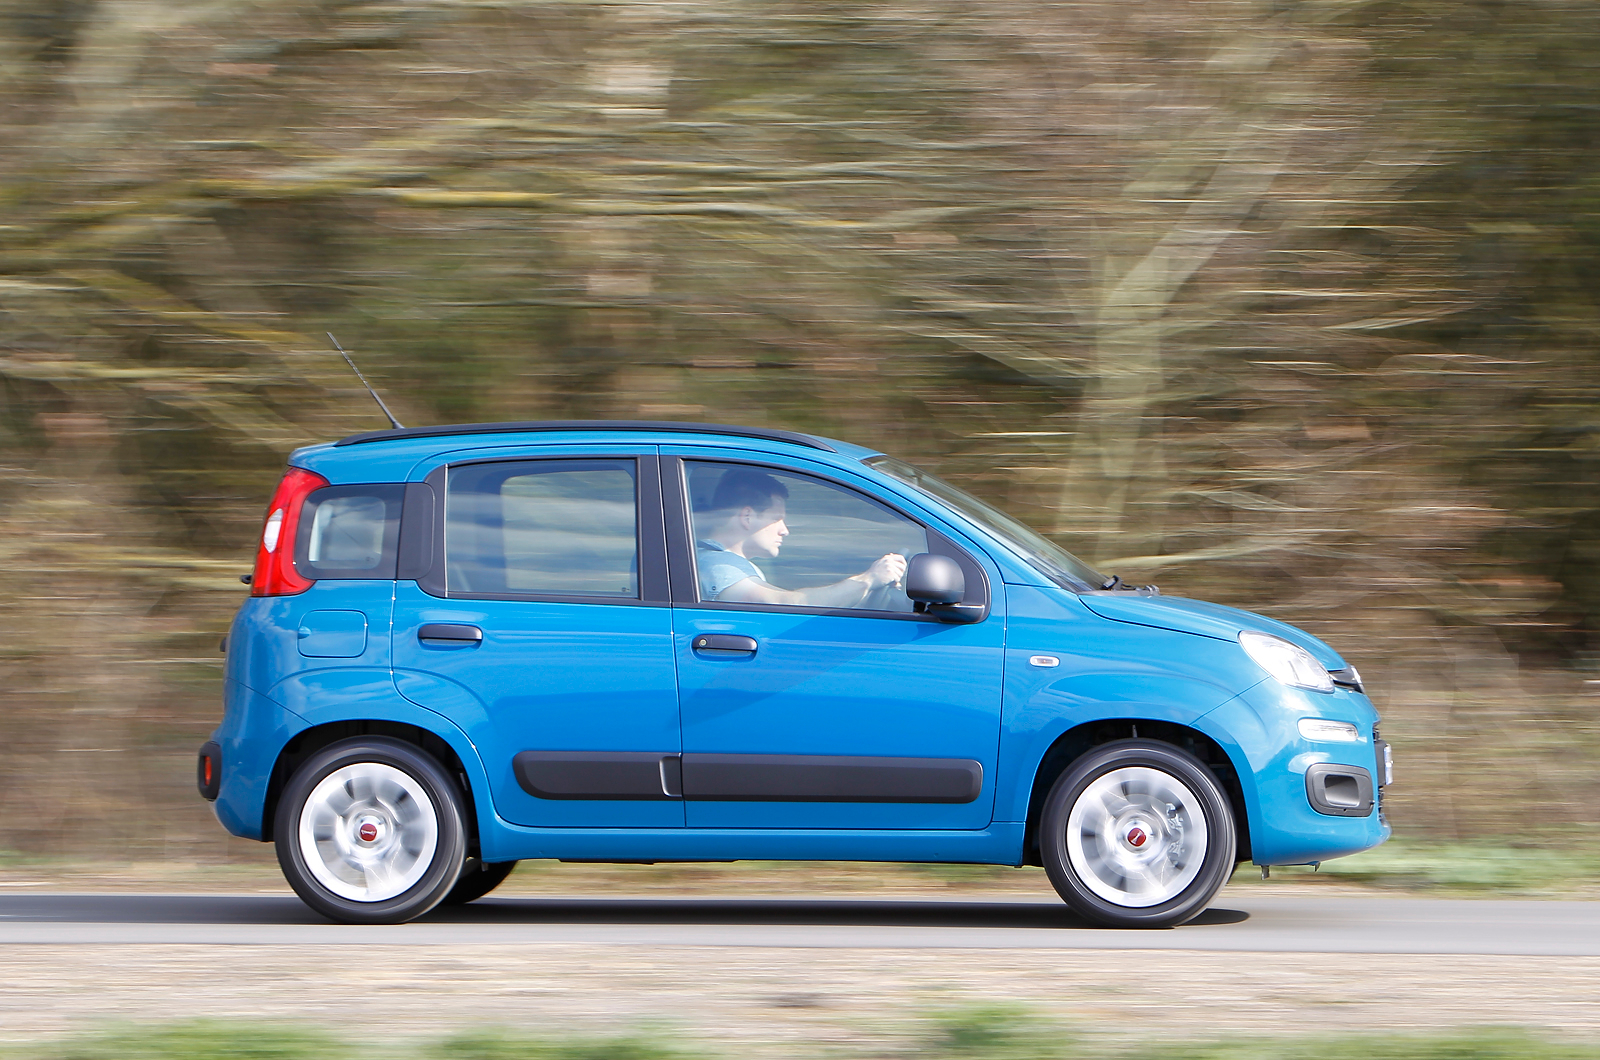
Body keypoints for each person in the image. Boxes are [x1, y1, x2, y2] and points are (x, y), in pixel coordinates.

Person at [695, 468, 907, 607]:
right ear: (747, 516)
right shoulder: (718, 566)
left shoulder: (730, 565)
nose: (785, 530)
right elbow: (785, 604)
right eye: (777, 518)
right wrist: (868, 579)